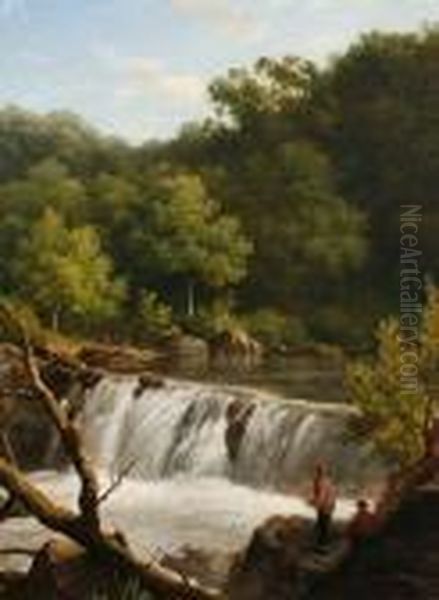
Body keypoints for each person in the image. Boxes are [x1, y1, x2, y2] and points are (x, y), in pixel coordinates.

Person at [310, 462, 337, 549]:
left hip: (326, 506)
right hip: (329, 505)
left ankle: (322, 544)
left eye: (317, 471)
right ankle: (322, 543)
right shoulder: (327, 480)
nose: (315, 473)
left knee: (323, 525)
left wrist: (315, 503)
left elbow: (323, 494)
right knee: (323, 524)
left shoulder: (322, 481)